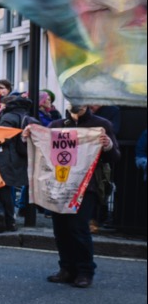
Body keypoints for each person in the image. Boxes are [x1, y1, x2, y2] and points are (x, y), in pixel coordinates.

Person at [38, 106, 119, 288]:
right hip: (60, 185)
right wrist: (29, 134)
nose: (78, 103)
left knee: (78, 228)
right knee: (61, 229)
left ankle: (85, 271)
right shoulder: (55, 125)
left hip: (86, 186)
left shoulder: (101, 125)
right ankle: (66, 269)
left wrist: (108, 146)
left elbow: (115, 157)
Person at [0, 93, 38, 233]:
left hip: (3, 158)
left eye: (2, 105)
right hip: (20, 159)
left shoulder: (8, 117)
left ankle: (2, 215)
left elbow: (2, 139)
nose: (0, 107)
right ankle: (9, 221)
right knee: (6, 190)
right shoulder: (28, 118)